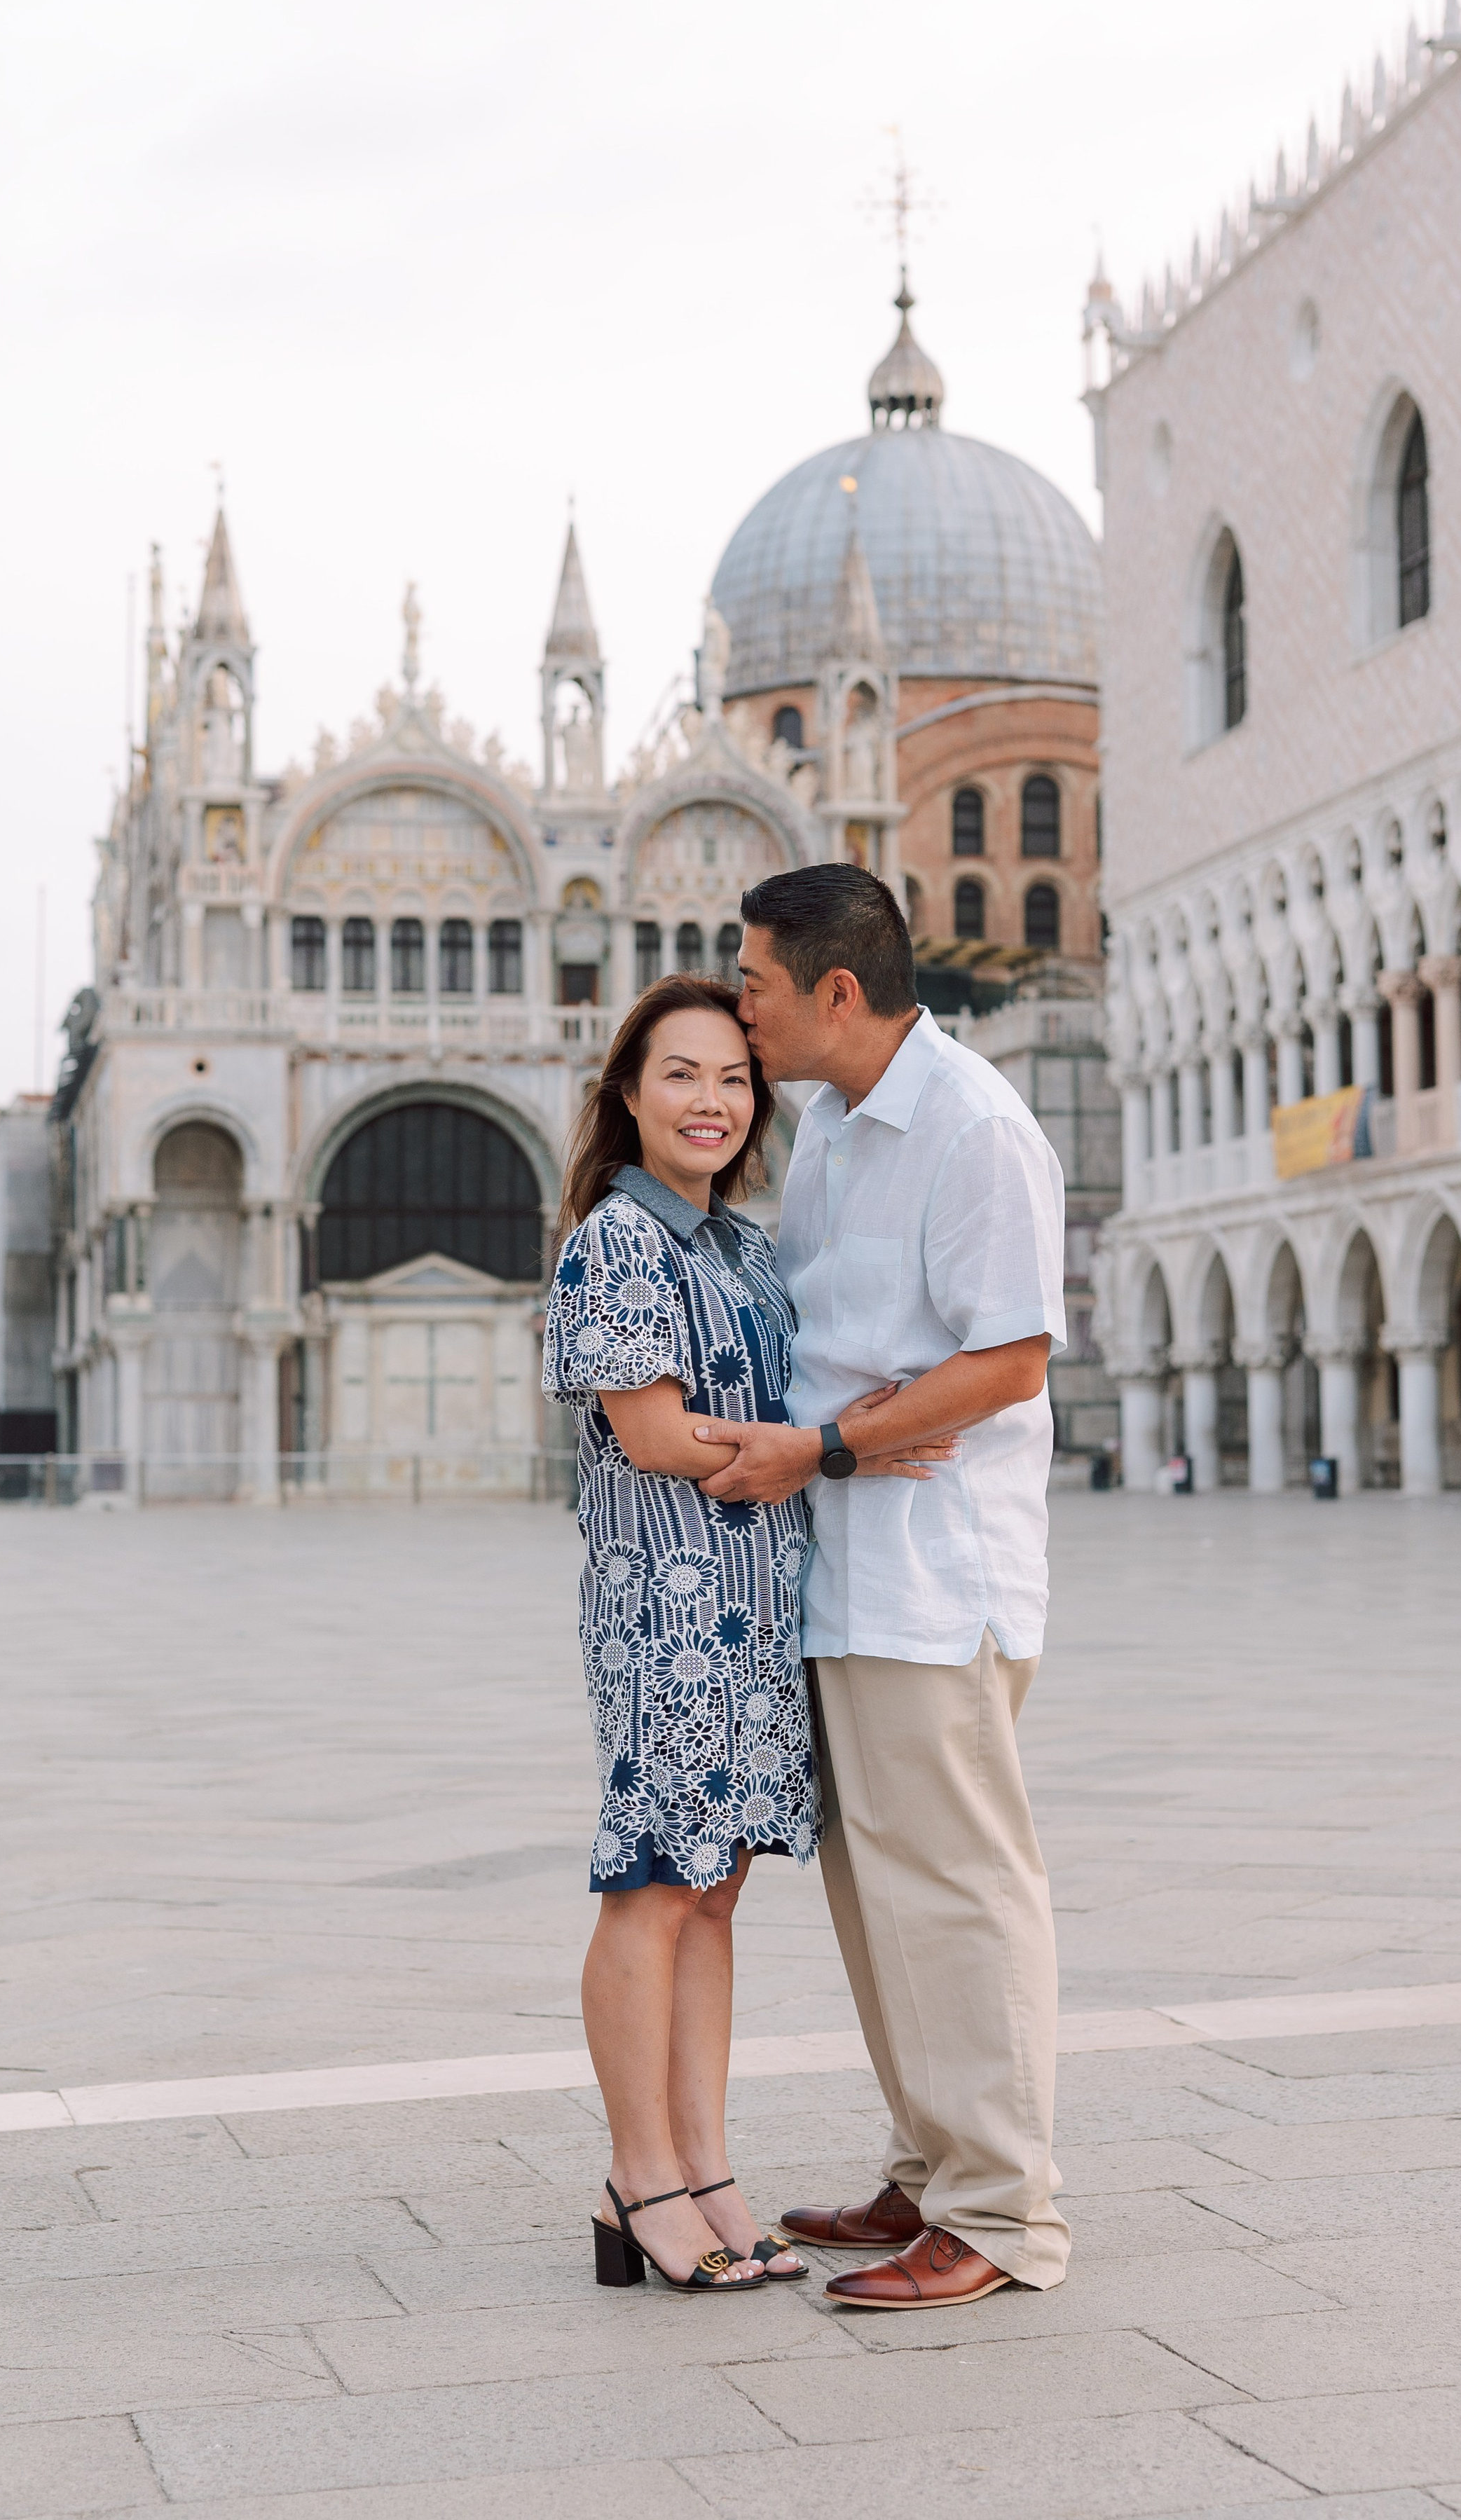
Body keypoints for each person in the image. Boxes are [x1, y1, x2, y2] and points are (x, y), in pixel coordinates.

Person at [691, 862, 1071, 2311]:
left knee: (959, 1892)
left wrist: (841, 1440)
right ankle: (928, 2167)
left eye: (756, 985)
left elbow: (1009, 1358)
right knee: (880, 1899)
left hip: (930, 1570)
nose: (742, 1010)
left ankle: (999, 2211)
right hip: (838, 1564)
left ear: (834, 992)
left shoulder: (972, 1127)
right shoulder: (835, 1126)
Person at [542, 973, 953, 2297]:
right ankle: (638, 2177)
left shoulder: (740, 1247)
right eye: (681, 1076)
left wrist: (850, 1436)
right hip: (669, 1612)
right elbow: (652, 1436)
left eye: (732, 1078)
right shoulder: (618, 1241)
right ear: (627, 1095)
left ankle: (708, 2172)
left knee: (712, 1893)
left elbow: (801, 1397)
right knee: (652, 1885)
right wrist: (822, 1455)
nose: (711, 1101)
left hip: (757, 1608)